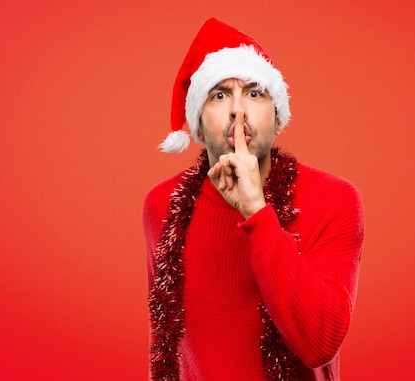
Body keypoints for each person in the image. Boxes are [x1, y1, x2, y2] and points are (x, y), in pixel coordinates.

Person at [143, 18, 364, 381]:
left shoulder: (335, 199)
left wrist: (256, 211)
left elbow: (319, 344)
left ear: (278, 119)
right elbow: (165, 346)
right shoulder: (162, 204)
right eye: (218, 95)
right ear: (197, 122)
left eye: (255, 93)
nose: (238, 110)